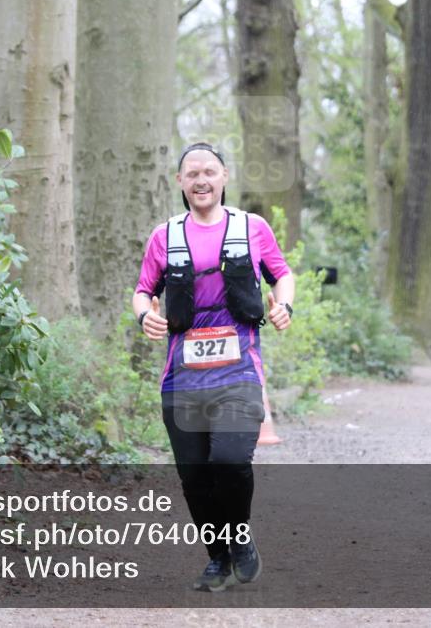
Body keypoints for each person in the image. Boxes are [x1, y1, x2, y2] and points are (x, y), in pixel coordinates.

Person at [132, 142, 295, 592]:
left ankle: (239, 539)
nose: (201, 180)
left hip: (238, 370)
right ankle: (217, 558)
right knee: (194, 476)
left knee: (229, 460)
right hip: (181, 377)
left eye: (209, 171)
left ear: (224, 176)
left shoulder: (252, 228)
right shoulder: (164, 236)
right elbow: (143, 290)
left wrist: (284, 305)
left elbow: (282, 274)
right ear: (180, 182)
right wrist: (144, 314)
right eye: (192, 174)